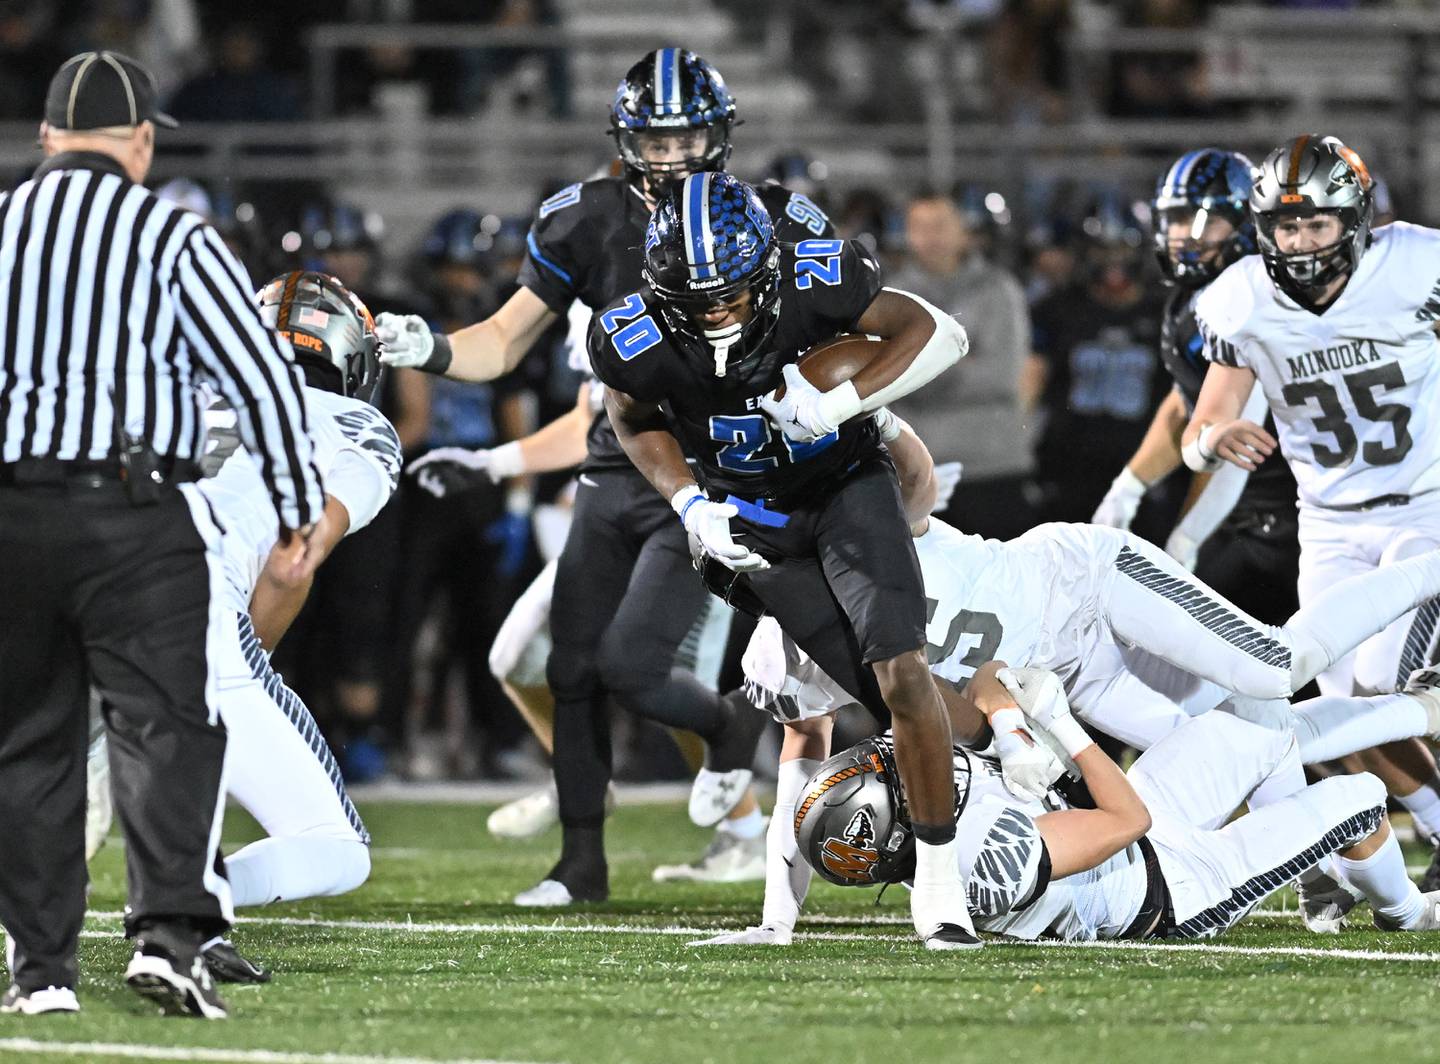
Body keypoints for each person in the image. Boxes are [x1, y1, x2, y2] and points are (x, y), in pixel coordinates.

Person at [704, 421, 1440, 944]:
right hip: (1060, 683)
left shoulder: (861, 537)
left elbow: (919, 484)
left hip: (1084, 585)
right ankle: (1413, 714)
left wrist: (872, 414)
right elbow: (805, 770)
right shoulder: (789, 656)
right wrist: (778, 915)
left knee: (1275, 669)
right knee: (1260, 737)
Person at [377, 50, 826, 903]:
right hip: (614, 463)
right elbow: (504, 339)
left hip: (712, 475)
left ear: (720, 135)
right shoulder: (585, 219)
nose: (670, 157)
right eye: (653, 141)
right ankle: (581, 866)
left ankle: (730, 725)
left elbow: (847, 318)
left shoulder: (768, 217)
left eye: (687, 136)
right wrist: (426, 346)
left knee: (629, 663)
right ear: (624, 140)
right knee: (570, 668)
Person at [0, 51, 324, 1018]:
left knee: (27, 744)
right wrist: (297, 505)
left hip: (10, 511)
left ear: (49, 137)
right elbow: (260, 378)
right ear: (140, 143)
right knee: (166, 729)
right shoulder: (170, 232)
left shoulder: (2, 228)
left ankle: (42, 972)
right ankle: (170, 937)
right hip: (131, 513)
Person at [591, 172, 978, 949]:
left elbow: (941, 333)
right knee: (833, 701)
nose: (715, 311)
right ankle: (781, 905)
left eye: (730, 292)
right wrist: (688, 504)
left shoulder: (815, 272)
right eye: (694, 301)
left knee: (902, 673)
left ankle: (941, 887)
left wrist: (838, 404)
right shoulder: (628, 333)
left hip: (844, 486)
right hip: (750, 522)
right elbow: (629, 417)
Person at [1182, 134, 1440, 886]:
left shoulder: (1416, 265)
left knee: (1383, 682)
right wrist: (1211, 441)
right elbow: (1204, 420)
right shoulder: (1238, 298)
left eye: (1317, 226)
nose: (1299, 243)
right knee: (1333, 708)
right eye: (1287, 228)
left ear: (1355, 220)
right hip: (1328, 522)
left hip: (1426, 508)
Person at [784, 668, 1440, 943]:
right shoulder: (979, 868)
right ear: (897, 830)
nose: (903, 761)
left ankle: (1319, 869)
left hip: (1138, 831)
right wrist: (1063, 728)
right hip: (1176, 886)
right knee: (1360, 799)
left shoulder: (935, 809)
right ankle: (1408, 914)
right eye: (893, 777)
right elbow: (1128, 824)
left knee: (1257, 709)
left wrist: (1011, 723)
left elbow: (986, 677)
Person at [191, 272, 398, 977]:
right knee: (336, 849)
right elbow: (292, 560)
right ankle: (191, 899)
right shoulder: (355, 424)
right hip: (188, 611)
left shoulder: (184, 401)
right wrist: (245, 668)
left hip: (68, 583)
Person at [1092, 149, 1302, 629]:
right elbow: (1186, 402)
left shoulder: (1251, 296)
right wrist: (1126, 489)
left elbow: (1235, 442)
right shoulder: (1194, 297)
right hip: (1244, 518)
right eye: (1178, 220)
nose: (1186, 235)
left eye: (1204, 221)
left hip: (1284, 524)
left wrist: (1187, 541)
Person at [889, 188, 1036, 540]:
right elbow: (882, 380)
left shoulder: (1000, 290)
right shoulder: (889, 294)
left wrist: (915, 369)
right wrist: (957, 361)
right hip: (917, 473)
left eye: (939, 225)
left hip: (992, 468)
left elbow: (1001, 375)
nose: (929, 237)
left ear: (963, 229)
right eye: (918, 226)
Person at [1029, 199, 1171, 529]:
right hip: (1071, 463)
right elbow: (1031, 382)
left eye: (1122, 248)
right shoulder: (1057, 310)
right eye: (1101, 250)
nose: (1113, 261)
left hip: (1143, 463)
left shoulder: (1165, 312)